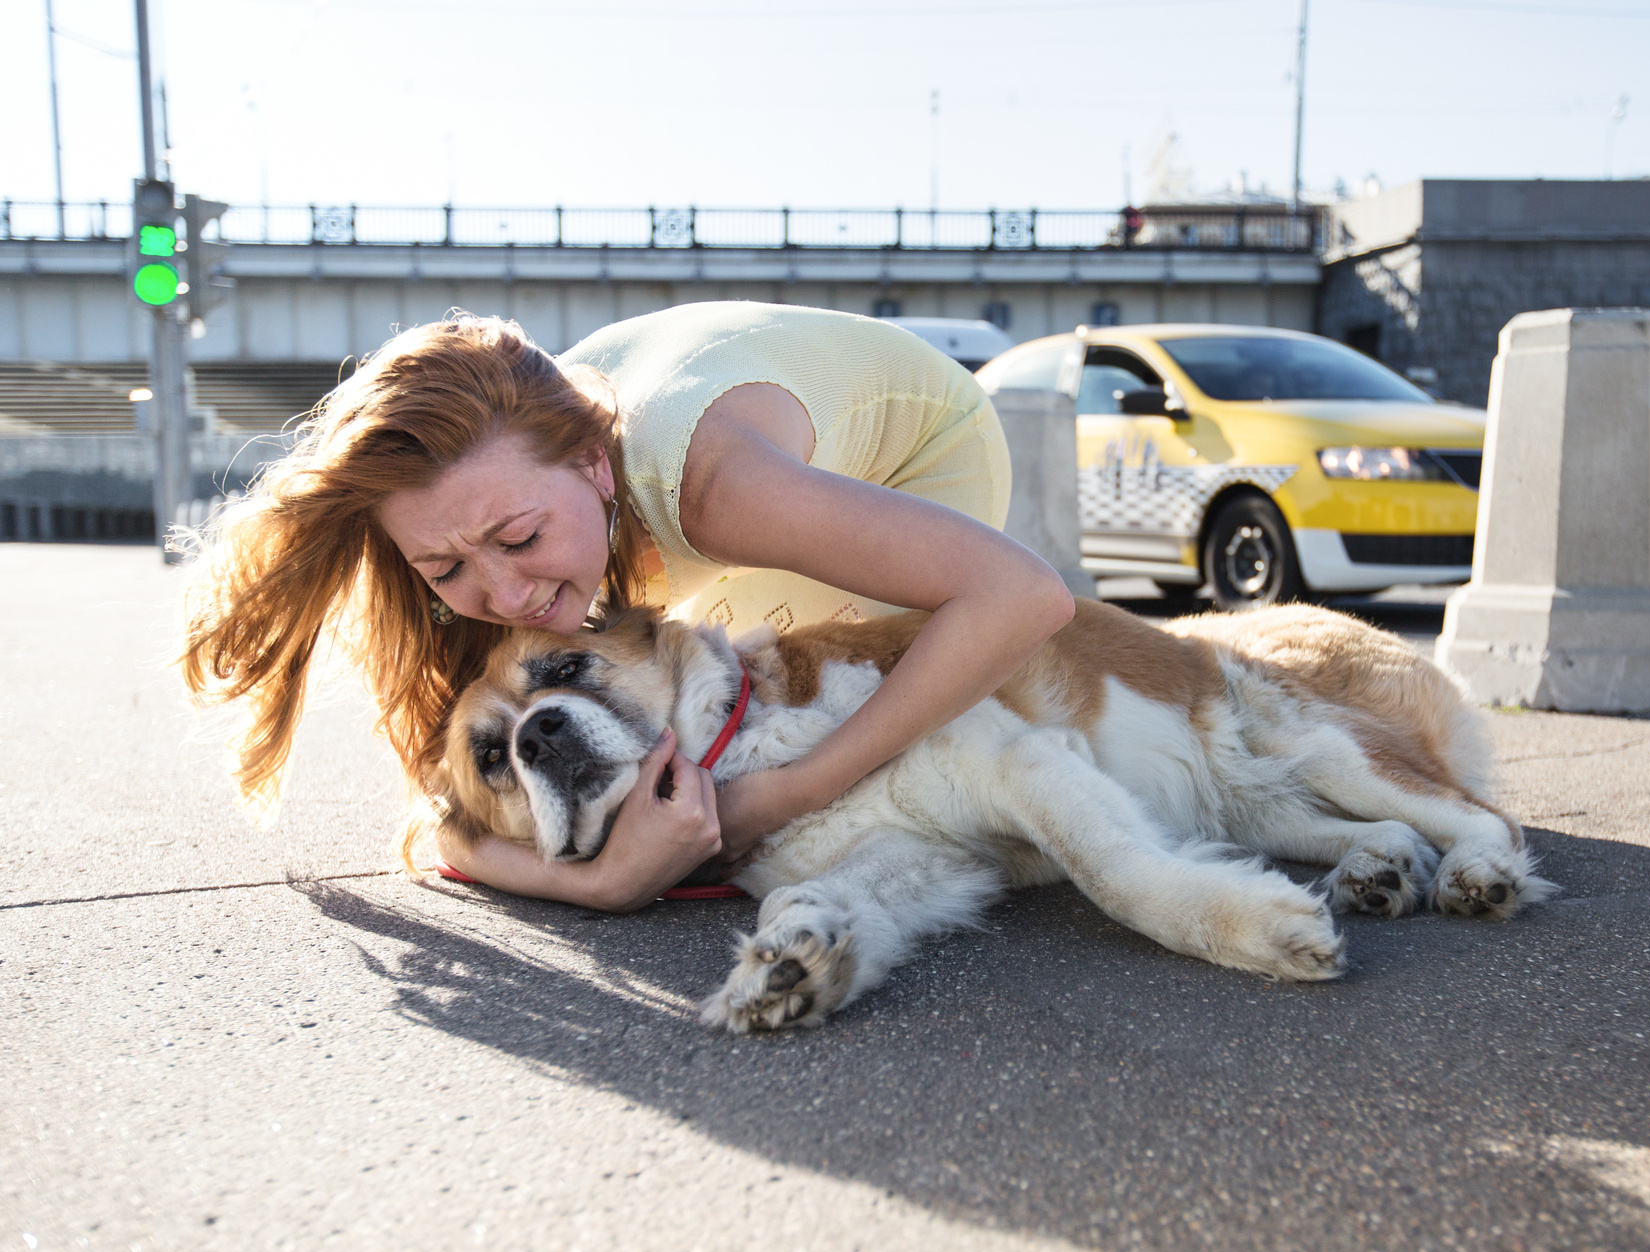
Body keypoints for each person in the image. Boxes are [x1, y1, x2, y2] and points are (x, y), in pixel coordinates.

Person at [180, 302, 1075, 913]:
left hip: (915, 453)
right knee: (659, 753)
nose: (504, 595)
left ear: (593, 467)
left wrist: (782, 795)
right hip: (669, 471)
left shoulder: (717, 493)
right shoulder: (483, 490)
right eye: (446, 569)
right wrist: (602, 882)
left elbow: (1023, 595)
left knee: (759, 763)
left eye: (520, 539)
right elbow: (444, 809)